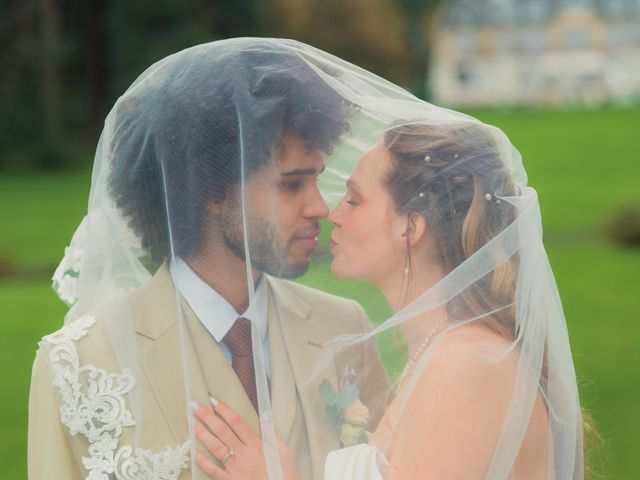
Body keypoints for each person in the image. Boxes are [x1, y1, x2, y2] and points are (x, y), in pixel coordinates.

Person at [27, 39, 388, 480]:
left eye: (316, 179)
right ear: (209, 191)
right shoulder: (78, 362)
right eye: (291, 184)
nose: (319, 207)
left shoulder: (343, 328)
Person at [192, 113, 584, 476]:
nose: (333, 214)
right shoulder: (447, 352)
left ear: (410, 226)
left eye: (355, 200)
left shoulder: (466, 365)